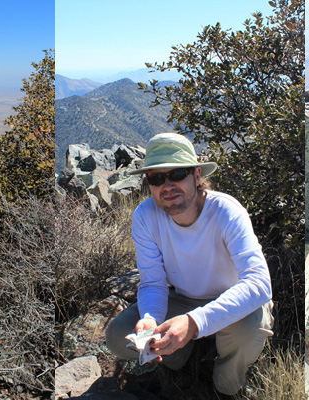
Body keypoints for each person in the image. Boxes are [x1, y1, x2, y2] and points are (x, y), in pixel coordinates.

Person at [105, 132, 274, 395]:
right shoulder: (145, 217)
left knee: (248, 331)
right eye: (157, 178)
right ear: (149, 184)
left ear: (196, 175)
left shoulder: (227, 212)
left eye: (177, 174)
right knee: (118, 335)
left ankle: (226, 385)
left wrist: (194, 322)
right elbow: (153, 282)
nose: (168, 186)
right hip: (183, 298)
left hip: (232, 299)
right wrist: (150, 319)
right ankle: (179, 357)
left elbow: (259, 284)